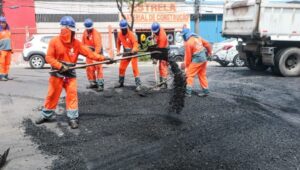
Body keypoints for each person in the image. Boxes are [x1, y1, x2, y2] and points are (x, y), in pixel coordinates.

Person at [35, 16, 113, 129]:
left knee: (72, 95)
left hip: (70, 73)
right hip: (57, 72)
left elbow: (90, 54)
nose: (72, 34)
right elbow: (49, 58)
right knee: (52, 95)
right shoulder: (54, 41)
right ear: (64, 30)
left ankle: (72, 117)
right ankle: (46, 115)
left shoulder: (77, 44)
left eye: (72, 32)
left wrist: (104, 59)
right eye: (70, 31)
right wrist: (60, 66)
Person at [181, 28, 212, 97]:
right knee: (202, 75)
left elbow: (188, 57)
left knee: (190, 74)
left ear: (186, 35)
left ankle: (188, 92)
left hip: (197, 59)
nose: (183, 37)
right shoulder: (198, 37)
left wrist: (187, 67)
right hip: (203, 59)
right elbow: (207, 44)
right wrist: (209, 53)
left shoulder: (188, 43)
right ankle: (206, 91)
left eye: (183, 36)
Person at [115, 19, 142, 91]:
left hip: (133, 53)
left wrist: (134, 49)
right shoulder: (119, 34)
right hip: (126, 53)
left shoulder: (131, 34)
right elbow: (118, 43)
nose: (124, 30)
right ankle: (121, 83)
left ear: (126, 27)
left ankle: (138, 85)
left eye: (125, 28)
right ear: (121, 28)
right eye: (122, 29)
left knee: (134, 68)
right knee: (121, 68)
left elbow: (135, 43)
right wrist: (118, 50)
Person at [82, 18, 105, 91]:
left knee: (98, 68)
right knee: (89, 68)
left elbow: (98, 47)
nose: (89, 30)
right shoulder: (84, 33)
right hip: (89, 54)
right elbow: (82, 44)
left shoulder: (96, 33)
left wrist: (94, 56)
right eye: (87, 29)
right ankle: (93, 83)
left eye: (90, 29)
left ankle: (100, 84)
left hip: (97, 53)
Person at [151, 22, 169, 89]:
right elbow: (155, 37)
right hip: (160, 47)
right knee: (160, 67)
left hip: (164, 49)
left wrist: (155, 58)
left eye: (156, 32)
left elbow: (160, 50)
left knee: (163, 65)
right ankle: (161, 82)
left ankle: (164, 83)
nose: (155, 33)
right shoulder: (157, 30)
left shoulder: (162, 36)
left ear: (158, 30)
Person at [0, 16, 13, 81]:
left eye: (3, 22)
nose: (2, 24)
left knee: (7, 63)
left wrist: (12, 49)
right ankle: (1, 76)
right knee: (2, 63)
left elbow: (10, 40)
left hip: (8, 50)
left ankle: (6, 75)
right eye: (1, 23)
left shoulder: (8, 31)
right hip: (2, 50)